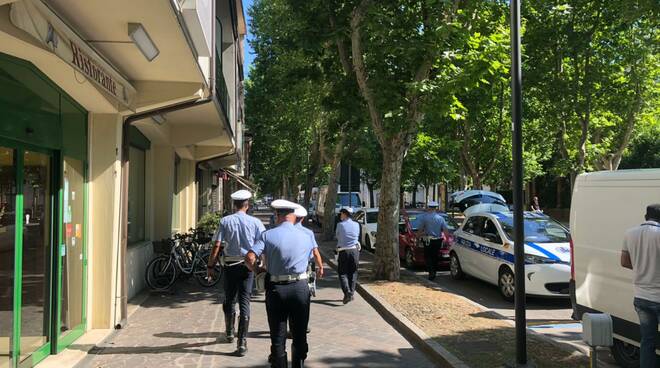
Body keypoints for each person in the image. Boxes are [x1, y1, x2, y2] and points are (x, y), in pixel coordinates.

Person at [245, 199, 322, 368]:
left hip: (276, 289)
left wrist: (259, 272)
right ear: (293, 216)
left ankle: (279, 361)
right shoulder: (307, 235)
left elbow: (249, 258)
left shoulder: (267, 235)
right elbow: (314, 257)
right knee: (300, 334)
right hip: (300, 287)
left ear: (277, 215)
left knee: (278, 337)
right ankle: (298, 362)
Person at [207, 189, 265, 357]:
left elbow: (217, 245)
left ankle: (230, 331)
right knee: (245, 300)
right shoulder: (256, 222)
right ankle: (242, 343)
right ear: (247, 205)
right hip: (248, 266)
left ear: (234, 205)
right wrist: (262, 266)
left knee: (229, 298)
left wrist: (210, 265)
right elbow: (263, 244)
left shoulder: (225, 221)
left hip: (230, 265)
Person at [620, 204, 660, 368]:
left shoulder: (630, 233)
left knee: (647, 342)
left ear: (646, 217)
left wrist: (641, 267)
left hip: (641, 297)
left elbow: (624, 262)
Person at [417, 201, 450, 281]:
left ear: (428, 207)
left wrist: (418, 237)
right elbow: (445, 230)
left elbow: (420, 229)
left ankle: (431, 271)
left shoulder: (424, 218)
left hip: (428, 240)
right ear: (436, 208)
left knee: (428, 256)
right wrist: (447, 239)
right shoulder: (440, 218)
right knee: (435, 256)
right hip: (438, 240)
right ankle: (434, 271)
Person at [335, 207, 360, 304]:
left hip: (343, 251)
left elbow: (337, 236)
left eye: (341, 214)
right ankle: (352, 293)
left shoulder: (340, 225)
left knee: (342, 273)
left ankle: (347, 292)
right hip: (354, 251)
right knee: (353, 273)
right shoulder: (357, 225)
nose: (340, 215)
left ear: (345, 214)